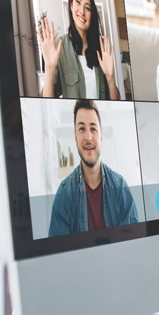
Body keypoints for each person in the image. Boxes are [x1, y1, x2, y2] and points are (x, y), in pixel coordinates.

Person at [48, 99, 141, 237]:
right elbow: (60, 255)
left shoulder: (120, 186)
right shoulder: (64, 195)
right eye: (81, 129)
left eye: (93, 128)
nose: (88, 137)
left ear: (101, 137)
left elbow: (133, 244)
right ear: (75, 137)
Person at [37, 0, 121, 100]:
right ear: (71, 5)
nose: (82, 11)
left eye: (87, 8)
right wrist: (50, 68)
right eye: (78, 2)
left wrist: (110, 78)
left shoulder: (101, 49)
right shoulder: (60, 47)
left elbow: (115, 102)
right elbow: (48, 104)